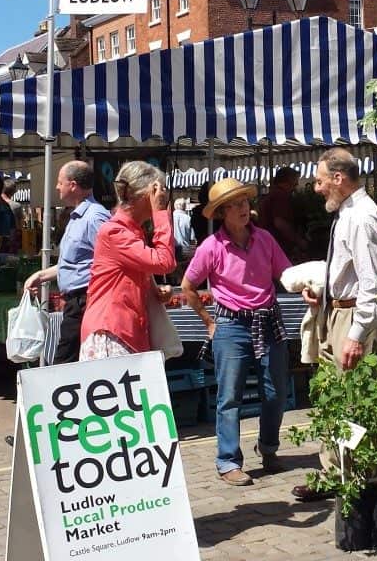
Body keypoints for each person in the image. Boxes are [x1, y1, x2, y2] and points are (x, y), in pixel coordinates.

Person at [292, 148, 377, 501]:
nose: (316, 188)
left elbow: (372, 285)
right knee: (337, 399)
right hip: (337, 312)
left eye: (319, 181)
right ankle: (338, 472)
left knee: (354, 400)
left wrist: (356, 334)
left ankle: (363, 476)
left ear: (338, 178)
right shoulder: (347, 214)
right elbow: (350, 274)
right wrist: (324, 294)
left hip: (351, 318)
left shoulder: (362, 218)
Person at [182, 179, 293, 487]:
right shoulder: (211, 247)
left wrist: (304, 286)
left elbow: (284, 273)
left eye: (244, 201)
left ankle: (268, 448)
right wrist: (208, 322)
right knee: (230, 397)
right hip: (231, 326)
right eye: (235, 204)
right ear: (221, 212)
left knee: (276, 392)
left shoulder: (266, 239)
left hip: (268, 321)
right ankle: (228, 461)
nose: (244, 208)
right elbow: (188, 287)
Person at [80, 161, 175, 360]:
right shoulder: (115, 231)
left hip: (124, 331)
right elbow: (164, 262)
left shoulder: (131, 231)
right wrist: (160, 214)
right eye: (157, 192)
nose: (162, 197)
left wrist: (153, 291)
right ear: (142, 195)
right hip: (111, 332)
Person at [23, 161, 111, 364]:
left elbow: (110, 261)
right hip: (77, 302)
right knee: (70, 359)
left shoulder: (95, 217)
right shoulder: (77, 217)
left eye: (59, 182)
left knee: (65, 361)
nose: (56, 187)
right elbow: (74, 263)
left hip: (86, 301)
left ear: (72, 185)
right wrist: (40, 276)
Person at [258, 167, 310, 261]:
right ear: (288, 181)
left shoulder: (272, 194)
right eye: (295, 182)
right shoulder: (280, 196)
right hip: (278, 245)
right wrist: (299, 241)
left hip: (268, 245)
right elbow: (280, 223)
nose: (297, 185)